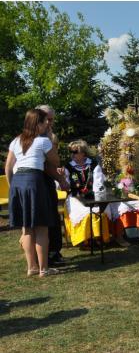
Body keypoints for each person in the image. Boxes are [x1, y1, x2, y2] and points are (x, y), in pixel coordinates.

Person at [4, 109, 65, 277]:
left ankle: (31, 267)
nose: (47, 124)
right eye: (45, 121)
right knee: (41, 228)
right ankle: (44, 269)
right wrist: (50, 139)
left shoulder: (16, 140)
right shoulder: (43, 141)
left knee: (27, 229)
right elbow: (56, 161)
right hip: (34, 181)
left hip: (18, 181)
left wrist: (12, 187)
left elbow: (8, 167)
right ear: (38, 123)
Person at [63, 140, 111, 246]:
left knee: (98, 211)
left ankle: (98, 238)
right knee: (84, 213)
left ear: (83, 153)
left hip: (92, 195)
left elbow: (98, 182)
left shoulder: (93, 164)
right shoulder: (68, 167)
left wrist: (96, 197)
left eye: (75, 152)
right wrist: (61, 177)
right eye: (71, 151)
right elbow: (65, 185)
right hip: (75, 196)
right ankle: (85, 240)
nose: (72, 154)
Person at [35, 104, 66, 266]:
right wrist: (61, 179)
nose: (50, 122)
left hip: (48, 181)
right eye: (47, 119)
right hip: (39, 180)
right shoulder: (36, 138)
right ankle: (44, 256)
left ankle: (54, 251)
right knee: (43, 220)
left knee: (53, 216)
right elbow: (49, 163)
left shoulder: (50, 136)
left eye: (52, 119)